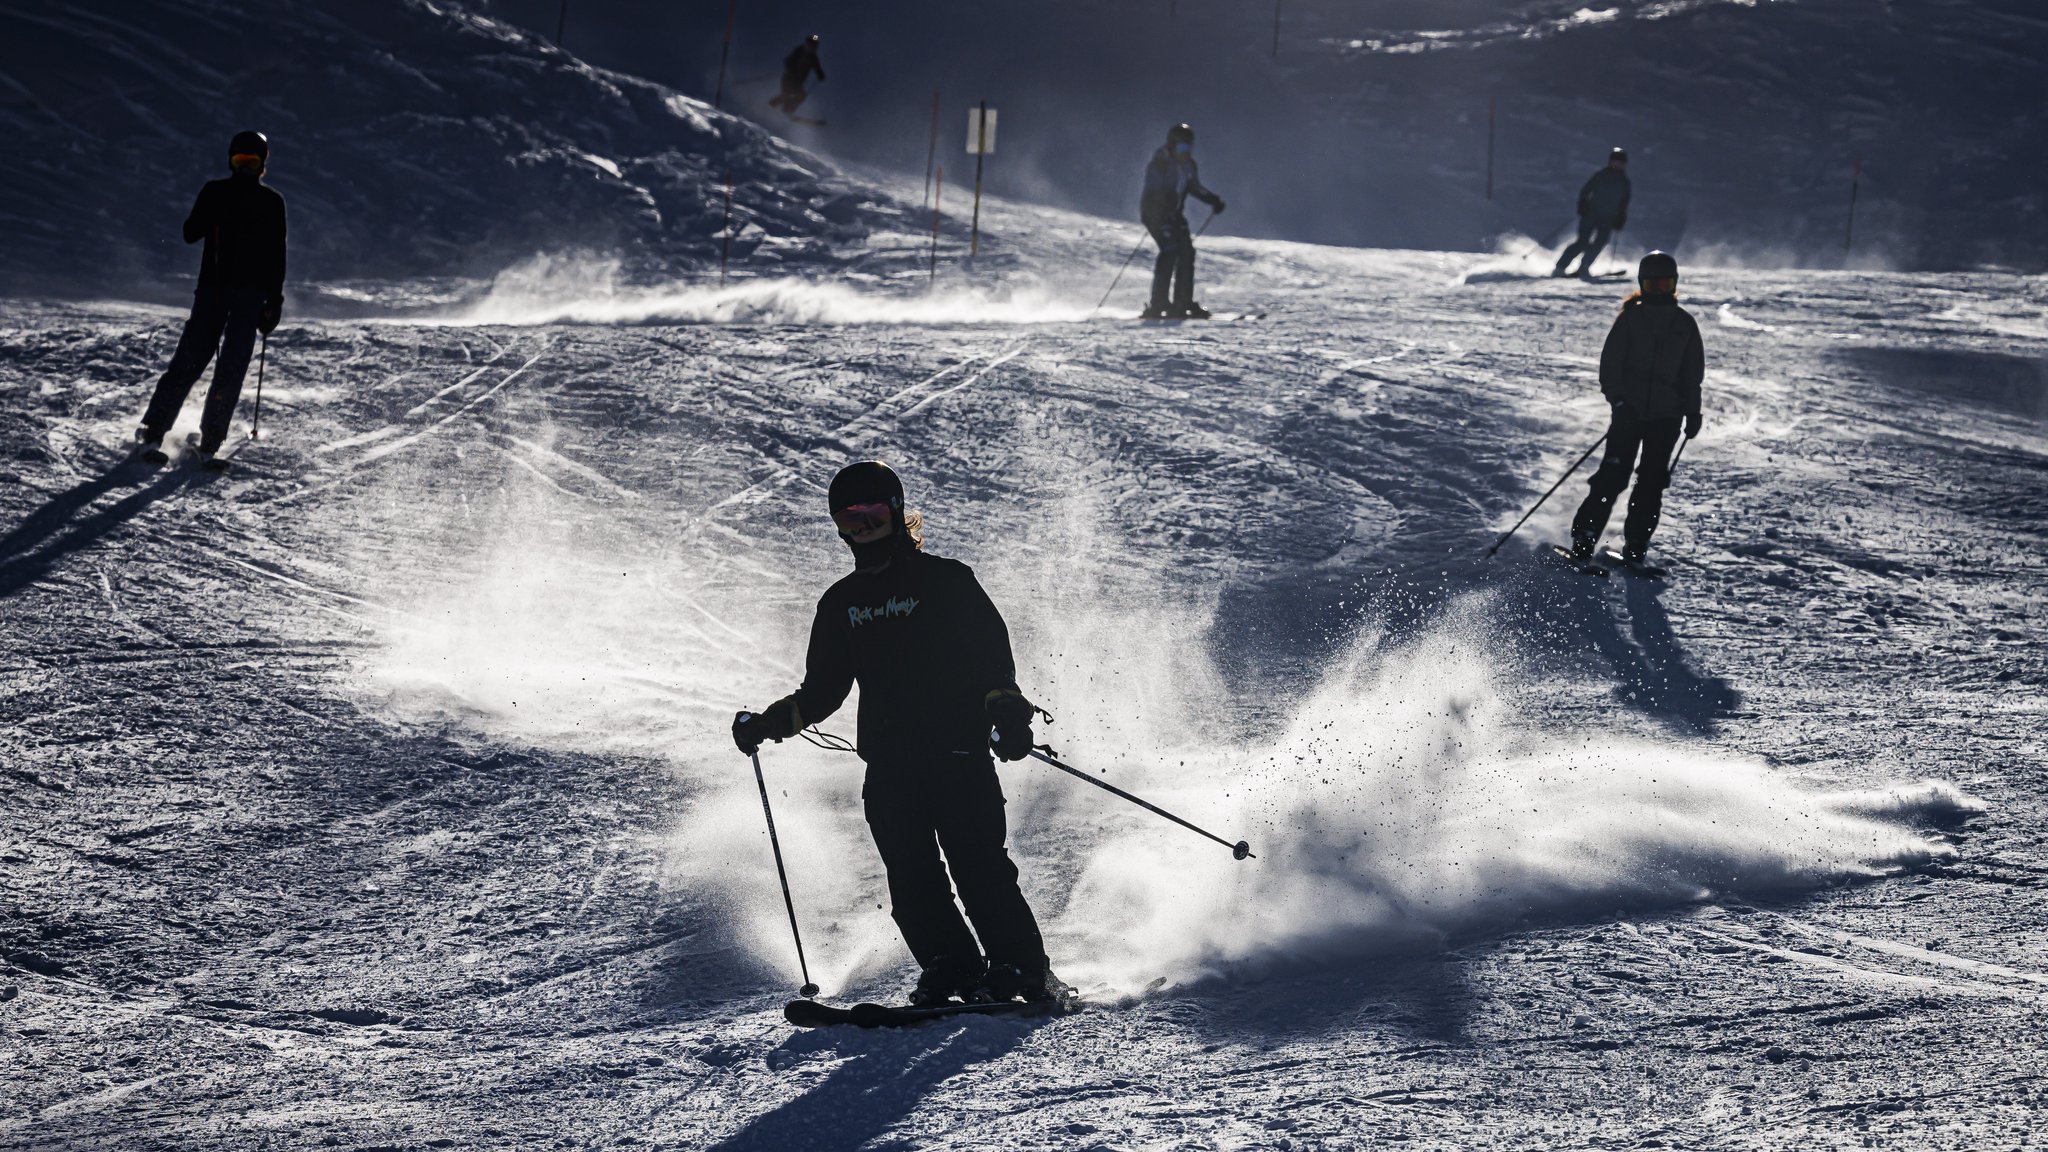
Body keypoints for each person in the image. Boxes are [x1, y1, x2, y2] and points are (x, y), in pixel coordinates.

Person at [732, 461, 1071, 1007]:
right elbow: (823, 691)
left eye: (870, 511)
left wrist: (1009, 717)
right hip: (889, 766)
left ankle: (1021, 969)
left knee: (977, 865)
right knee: (910, 879)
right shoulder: (840, 603)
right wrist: (769, 724)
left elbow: (991, 660)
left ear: (893, 509)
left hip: (957, 754)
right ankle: (952, 965)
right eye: (848, 516)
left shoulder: (946, 580)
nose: (861, 524)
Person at [137, 130, 286, 470]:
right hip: (213, 292)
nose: (245, 169)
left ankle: (211, 441)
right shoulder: (215, 192)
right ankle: (154, 431)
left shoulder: (272, 202)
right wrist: (213, 210)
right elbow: (191, 233)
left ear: (263, 165)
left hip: (250, 298)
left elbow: (276, 256)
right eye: (239, 162)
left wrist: (273, 301)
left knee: (230, 370)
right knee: (189, 362)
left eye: (252, 162)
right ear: (231, 162)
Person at [1567, 251, 1704, 567]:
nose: (1658, 291)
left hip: (1667, 417)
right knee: (1613, 476)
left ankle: (1637, 543)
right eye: (1652, 284)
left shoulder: (1684, 324)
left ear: (1674, 285)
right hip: (1629, 412)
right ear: (1642, 285)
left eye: (1665, 284)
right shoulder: (1631, 319)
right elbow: (1610, 368)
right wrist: (1618, 401)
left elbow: (1691, 375)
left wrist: (1693, 412)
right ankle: (1585, 536)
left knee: (1652, 481)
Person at [1139, 123, 1226, 320]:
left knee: (1187, 252)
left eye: (1188, 148)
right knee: (1170, 250)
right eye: (1181, 148)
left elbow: (1193, 187)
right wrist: (1163, 200)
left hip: (1174, 214)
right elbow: (1153, 189)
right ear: (1172, 145)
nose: (1185, 152)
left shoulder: (1188, 165)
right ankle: (1158, 304)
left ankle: (1183, 301)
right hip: (1155, 214)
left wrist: (1213, 200)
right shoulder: (1160, 163)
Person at [1553, 146, 1631, 279]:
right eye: (1615, 161)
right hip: (1591, 213)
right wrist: (1582, 204)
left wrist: (1621, 217)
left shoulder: (1624, 182)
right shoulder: (1601, 175)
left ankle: (1584, 267)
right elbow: (1586, 190)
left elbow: (1624, 202)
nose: (1618, 164)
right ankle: (1560, 267)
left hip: (1608, 218)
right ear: (1610, 162)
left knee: (1601, 241)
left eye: (1621, 162)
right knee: (1582, 241)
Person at [767, 34, 825, 119]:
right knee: (787, 94)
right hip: (789, 79)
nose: (812, 47)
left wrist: (820, 75)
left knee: (801, 95)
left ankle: (786, 110)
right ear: (807, 44)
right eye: (811, 44)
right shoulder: (799, 51)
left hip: (798, 82)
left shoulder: (813, 57)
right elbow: (787, 61)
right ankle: (772, 106)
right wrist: (791, 69)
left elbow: (817, 67)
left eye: (814, 45)